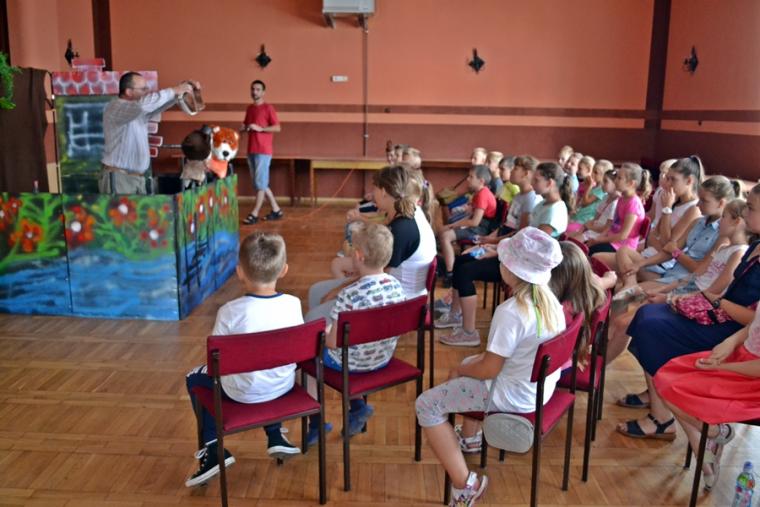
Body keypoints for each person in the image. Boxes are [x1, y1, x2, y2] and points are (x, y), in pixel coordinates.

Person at [415, 227, 565, 506]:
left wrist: (461, 370)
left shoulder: (511, 312)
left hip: (511, 395)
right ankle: (470, 438)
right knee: (465, 365)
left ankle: (465, 485)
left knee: (426, 404)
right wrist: (465, 367)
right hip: (537, 390)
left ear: (511, 270)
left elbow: (489, 370)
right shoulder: (552, 304)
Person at [615, 183, 760, 440]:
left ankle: (663, 416)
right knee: (646, 315)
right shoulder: (754, 244)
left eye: (751, 208)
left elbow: (752, 318)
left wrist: (716, 302)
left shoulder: (738, 248)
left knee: (651, 325)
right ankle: (658, 403)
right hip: (720, 314)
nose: (746, 213)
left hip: (734, 328)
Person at [184, 232, 303, 487]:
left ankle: (214, 449)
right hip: (282, 386)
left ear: (239, 272)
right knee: (267, 361)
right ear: (284, 270)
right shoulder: (293, 304)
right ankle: (275, 434)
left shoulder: (230, 311)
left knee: (193, 376)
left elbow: (215, 362)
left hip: (241, 393)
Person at [607, 197, 749, 363]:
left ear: (736, 222)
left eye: (724, 217)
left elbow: (712, 290)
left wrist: (668, 297)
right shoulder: (723, 247)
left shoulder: (738, 253)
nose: (720, 221)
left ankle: (600, 365)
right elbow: (694, 276)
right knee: (622, 300)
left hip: (692, 299)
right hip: (681, 287)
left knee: (625, 322)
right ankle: (602, 351)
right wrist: (663, 289)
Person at [306, 223, 407, 443]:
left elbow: (332, 343)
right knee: (353, 345)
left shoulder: (350, 294)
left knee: (306, 361)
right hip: (382, 357)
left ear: (359, 256)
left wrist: (325, 331)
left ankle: (316, 424)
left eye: (352, 250)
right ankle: (358, 406)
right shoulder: (396, 286)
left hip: (351, 362)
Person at [307, 165, 435, 321]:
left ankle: (329, 333)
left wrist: (338, 291)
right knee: (315, 291)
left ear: (383, 192)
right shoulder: (408, 213)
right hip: (389, 289)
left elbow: (376, 278)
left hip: (397, 302)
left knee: (313, 316)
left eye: (374, 188)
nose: (372, 193)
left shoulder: (402, 229)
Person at [654, 304, 760, 490]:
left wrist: (721, 368)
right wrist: (730, 342)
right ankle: (713, 435)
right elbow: (755, 325)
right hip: (742, 360)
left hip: (752, 382)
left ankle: (712, 437)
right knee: (666, 379)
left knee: (676, 389)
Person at [100, 72, 195, 194]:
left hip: (136, 179)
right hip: (119, 179)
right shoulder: (117, 107)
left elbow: (157, 106)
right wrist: (174, 90)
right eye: (143, 89)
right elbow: (143, 105)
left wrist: (180, 93)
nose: (147, 92)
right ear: (128, 92)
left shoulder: (135, 111)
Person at [438, 165, 497, 285]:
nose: (468, 179)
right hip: (477, 225)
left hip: (481, 229)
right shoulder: (479, 193)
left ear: (481, 181)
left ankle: (450, 273)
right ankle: (449, 265)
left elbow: (475, 222)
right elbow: (470, 217)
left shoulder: (483, 195)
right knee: (443, 232)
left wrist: (452, 226)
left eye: (471, 177)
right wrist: (453, 225)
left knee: (445, 236)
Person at [587, 163, 651, 259]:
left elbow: (623, 235)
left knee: (592, 254)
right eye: (616, 177)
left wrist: (599, 240)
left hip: (622, 248)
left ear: (631, 183)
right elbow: (612, 226)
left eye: (619, 178)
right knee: (586, 248)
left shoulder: (633, 204)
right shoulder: (622, 198)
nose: (615, 180)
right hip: (612, 240)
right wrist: (598, 238)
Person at [242, 80, 282, 225]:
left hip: (263, 150)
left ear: (263, 92)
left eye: (258, 89)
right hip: (251, 149)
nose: (255, 92)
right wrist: (244, 128)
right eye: (253, 89)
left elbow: (277, 127)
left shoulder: (268, 108)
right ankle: (276, 210)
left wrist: (261, 129)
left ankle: (254, 213)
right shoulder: (249, 109)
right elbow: (247, 124)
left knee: (260, 183)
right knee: (260, 183)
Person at [568, 158, 610, 230]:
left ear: (604, 176)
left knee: (567, 230)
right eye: (593, 171)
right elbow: (581, 201)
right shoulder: (595, 187)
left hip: (585, 220)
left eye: (596, 172)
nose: (592, 174)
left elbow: (585, 202)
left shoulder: (601, 190)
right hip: (579, 216)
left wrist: (589, 186)